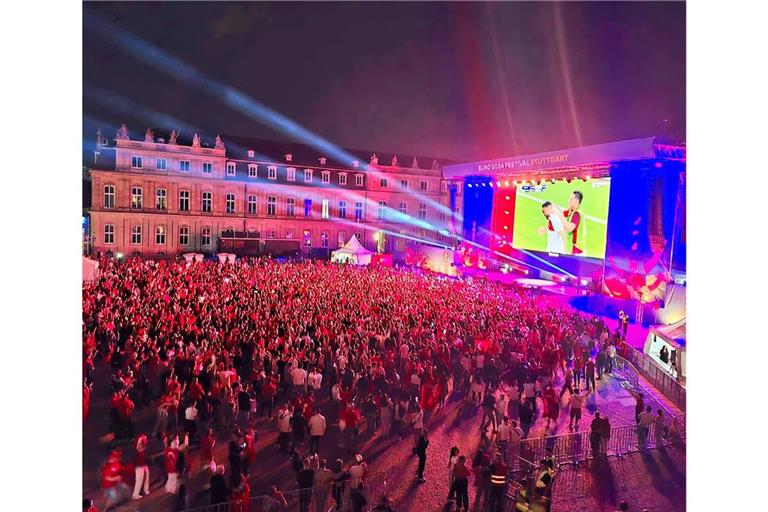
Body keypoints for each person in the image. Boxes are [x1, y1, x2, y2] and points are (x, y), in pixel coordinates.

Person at [562, 190, 584, 255]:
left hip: (577, 251)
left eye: (571, 199)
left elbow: (570, 228)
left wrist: (559, 215)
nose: (568, 200)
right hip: (575, 249)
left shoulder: (576, 214)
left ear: (576, 201)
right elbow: (564, 213)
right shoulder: (574, 210)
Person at [132, 434, 150, 500]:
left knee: (146, 477)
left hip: (143, 465)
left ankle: (146, 490)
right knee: (139, 480)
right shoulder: (139, 448)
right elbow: (139, 447)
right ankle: (135, 494)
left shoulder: (143, 449)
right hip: (139, 466)